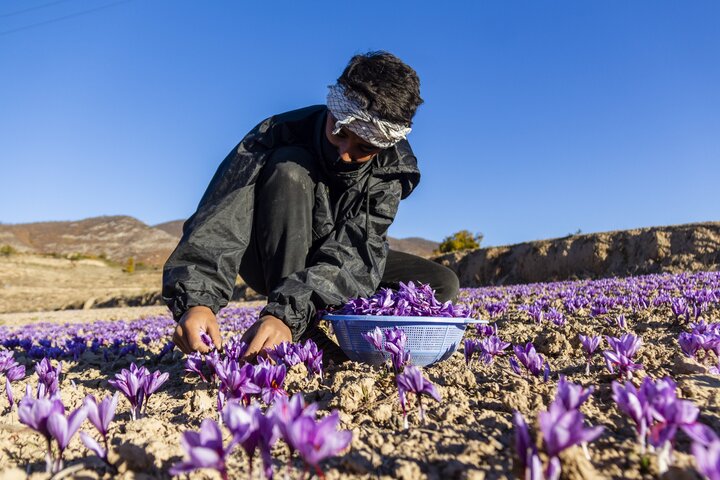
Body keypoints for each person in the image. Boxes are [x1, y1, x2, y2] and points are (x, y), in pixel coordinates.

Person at [162, 51, 459, 362]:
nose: (345, 153)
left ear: (384, 144)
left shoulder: (391, 168)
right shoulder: (274, 134)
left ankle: (352, 332)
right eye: (339, 132)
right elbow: (222, 214)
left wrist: (294, 309)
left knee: (441, 284)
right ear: (333, 106)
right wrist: (197, 301)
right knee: (291, 169)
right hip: (270, 251)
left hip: (340, 255)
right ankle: (297, 330)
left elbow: (358, 249)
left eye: (364, 148)